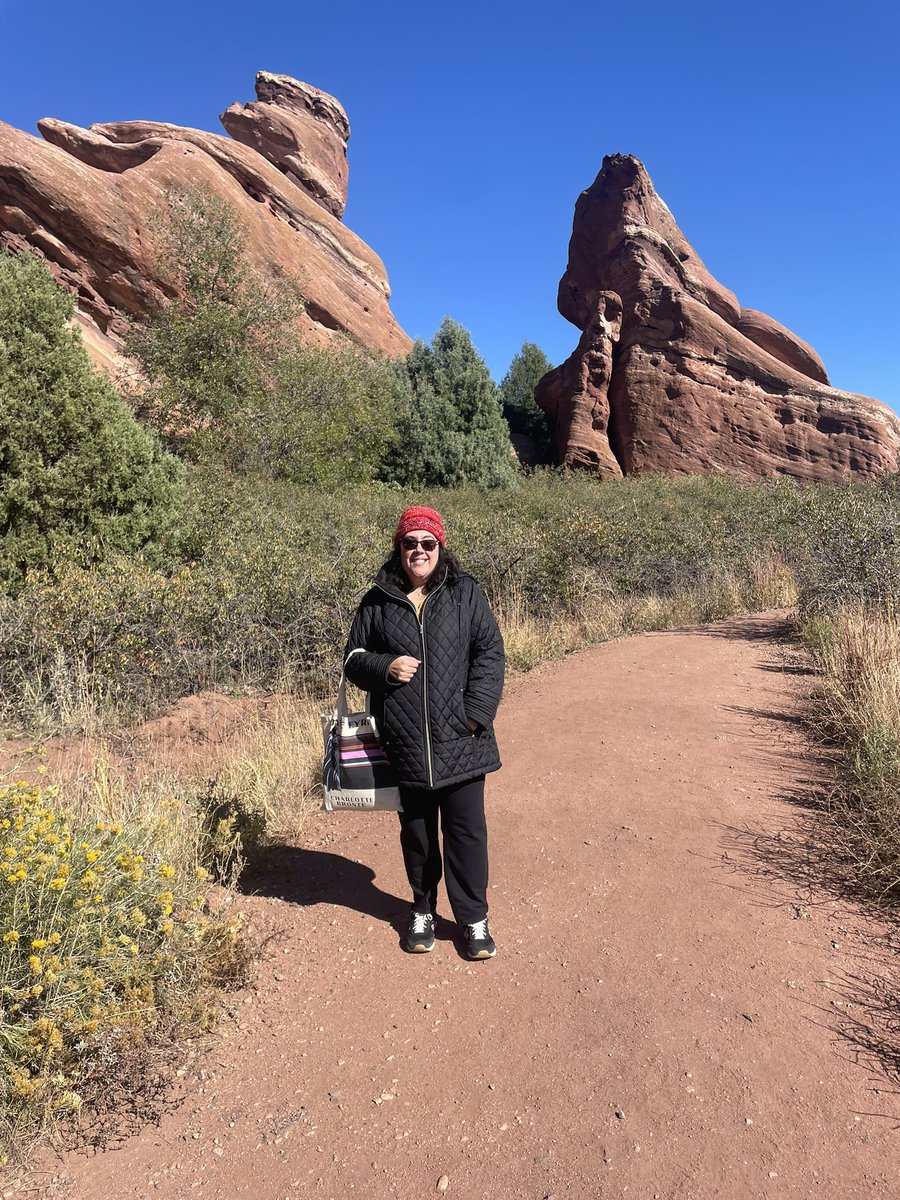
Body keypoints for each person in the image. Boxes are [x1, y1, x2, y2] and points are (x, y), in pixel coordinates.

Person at [343, 505, 504, 959]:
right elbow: (352, 659)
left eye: (427, 543)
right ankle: (422, 910)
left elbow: (490, 652)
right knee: (416, 834)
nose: (419, 551)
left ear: (440, 548)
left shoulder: (464, 593)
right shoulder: (376, 600)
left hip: (463, 740)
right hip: (404, 742)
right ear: (398, 549)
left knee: (467, 833)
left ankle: (473, 920)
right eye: (410, 543)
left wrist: (475, 713)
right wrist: (384, 666)